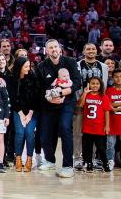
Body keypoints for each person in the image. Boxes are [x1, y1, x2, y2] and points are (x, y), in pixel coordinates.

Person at [33, 39, 82, 178]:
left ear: (60, 49)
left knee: (65, 128)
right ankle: (50, 160)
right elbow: (39, 88)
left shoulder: (70, 62)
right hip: (48, 103)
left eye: (55, 47)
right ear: (46, 50)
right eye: (50, 48)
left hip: (67, 102)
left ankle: (68, 166)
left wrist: (63, 92)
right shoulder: (41, 66)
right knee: (45, 133)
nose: (53, 49)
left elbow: (77, 82)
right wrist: (50, 97)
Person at [74, 43, 108, 168]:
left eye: (93, 49)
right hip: (81, 102)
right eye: (88, 49)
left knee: (94, 132)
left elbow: (104, 85)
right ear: (83, 51)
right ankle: (77, 158)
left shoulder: (103, 66)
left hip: (96, 104)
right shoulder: (77, 65)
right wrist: (78, 101)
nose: (91, 51)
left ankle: (91, 158)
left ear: (97, 51)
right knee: (77, 132)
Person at [10, 56, 40, 172]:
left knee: (29, 132)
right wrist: (21, 114)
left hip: (32, 110)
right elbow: (13, 99)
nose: (29, 68)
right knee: (20, 132)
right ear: (19, 67)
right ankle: (18, 159)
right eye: (26, 66)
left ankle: (29, 159)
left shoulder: (33, 77)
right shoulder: (12, 79)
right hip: (18, 110)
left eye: (29, 66)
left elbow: (36, 98)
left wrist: (30, 114)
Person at [78, 75, 109, 173]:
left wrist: (107, 125)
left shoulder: (103, 96)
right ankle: (89, 163)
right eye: (92, 83)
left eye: (97, 83)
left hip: (99, 127)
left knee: (101, 147)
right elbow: (80, 104)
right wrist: (85, 93)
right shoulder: (86, 94)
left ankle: (105, 163)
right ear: (89, 85)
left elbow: (106, 111)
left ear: (101, 85)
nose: (95, 85)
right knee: (87, 147)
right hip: (88, 127)